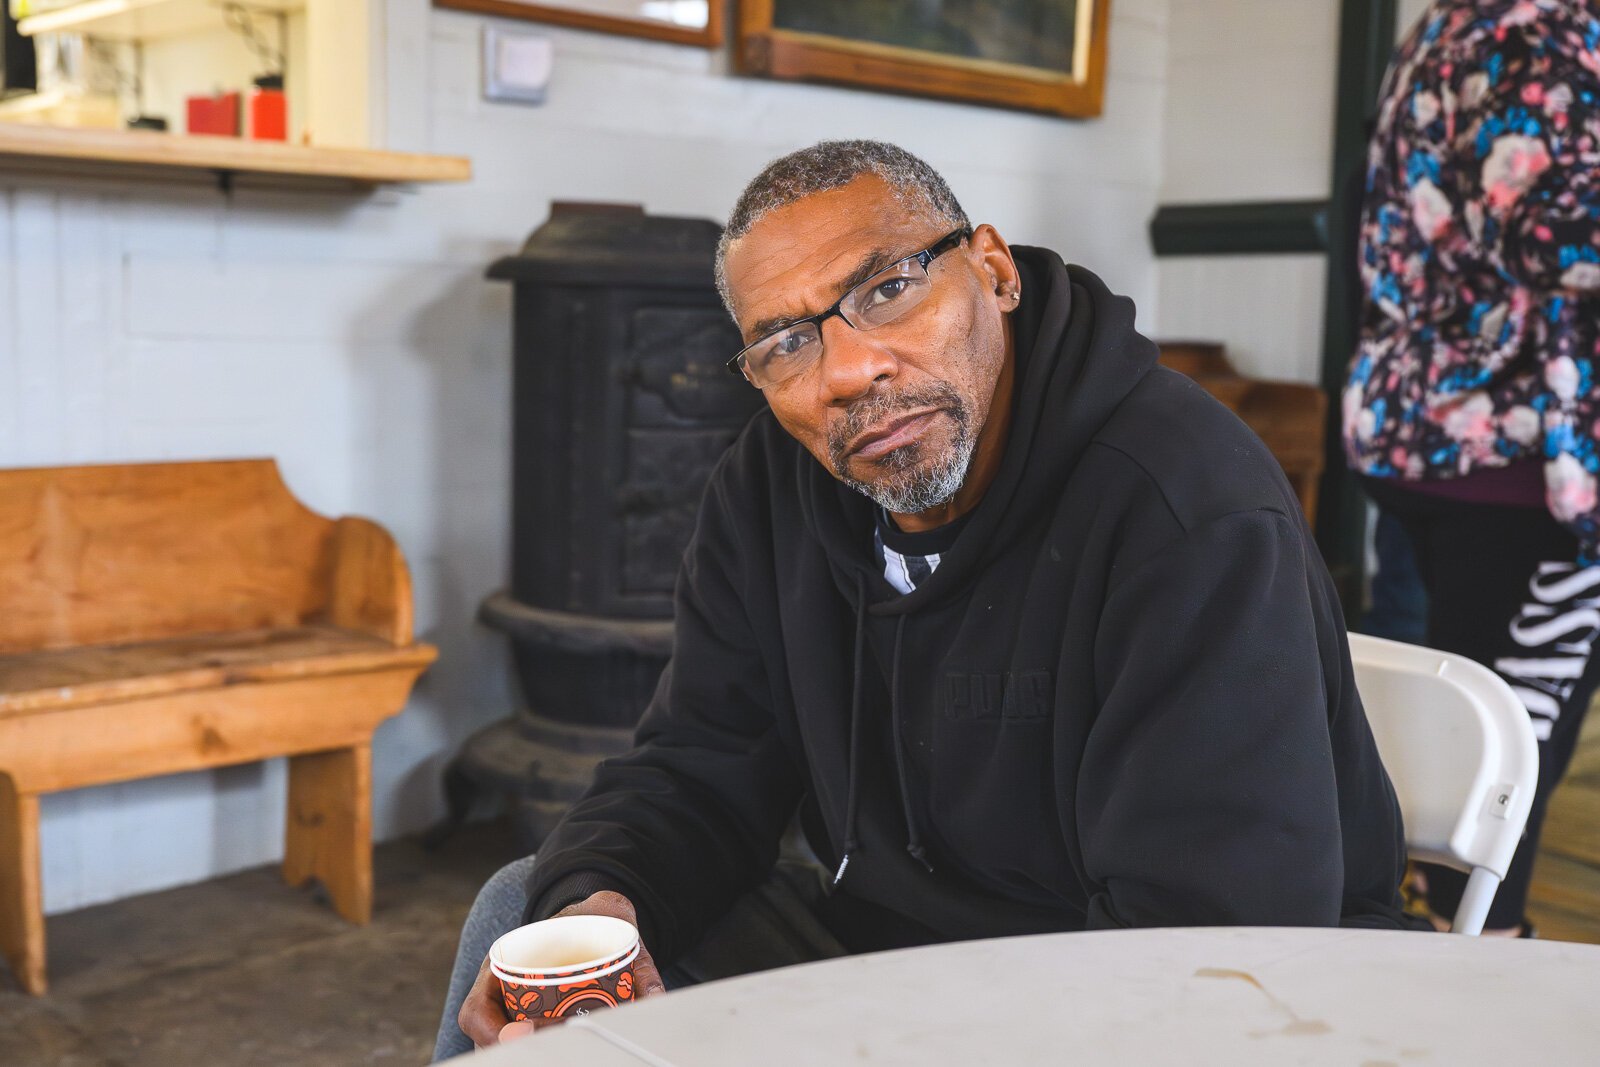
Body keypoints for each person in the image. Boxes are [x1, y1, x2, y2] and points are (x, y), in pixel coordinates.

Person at [438, 139, 1419, 1058]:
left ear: (992, 271)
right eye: (784, 343)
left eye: (889, 288)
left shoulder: (1184, 507)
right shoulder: (770, 486)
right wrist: (604, 903)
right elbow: (701, 761)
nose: (848, 371)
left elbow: (1204, 940)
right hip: (884, 957)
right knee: (530, 908)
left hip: (1181, 1002)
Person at [1343, 0, 1600, 935]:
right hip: (1519, 457)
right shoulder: (1542, 35)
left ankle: (1423, 926)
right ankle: (1478, 964)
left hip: (1430, 429)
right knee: (1502, 763)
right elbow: (1563, 234)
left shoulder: (1454, 23)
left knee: (1433, 732)